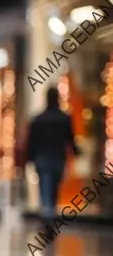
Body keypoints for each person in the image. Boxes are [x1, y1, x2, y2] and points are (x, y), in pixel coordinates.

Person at [27, 87, 79, 221]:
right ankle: (50, 212)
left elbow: (32, 141)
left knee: (45, 186)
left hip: (42, 159)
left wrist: (30, 158)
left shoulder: (38, 119)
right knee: (54, 187)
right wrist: (75, 152)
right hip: (58, 158)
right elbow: (70, 139)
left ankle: (47, 212)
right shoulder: (64, 118)